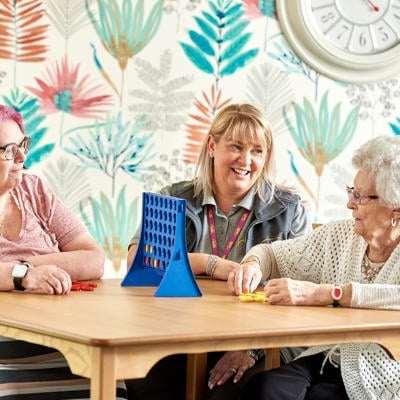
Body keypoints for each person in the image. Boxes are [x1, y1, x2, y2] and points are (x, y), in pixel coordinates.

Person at [126, 103, 311, 399]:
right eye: (236, 147)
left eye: (257, 151)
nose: (246, 160)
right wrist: (209, 264)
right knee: (143, 380)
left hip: (255, 342)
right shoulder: (173, 199)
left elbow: (304, 294)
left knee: (225, 395)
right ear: (212, 145)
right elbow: (139, 266)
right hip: (178, 337)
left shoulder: (288, 211)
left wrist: (251, 349)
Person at [228, 134, 400, 400]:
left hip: (378, 376)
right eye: (351, 192)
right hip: (324, 357)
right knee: (266, 389)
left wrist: (327, 294)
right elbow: (272, 255)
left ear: (395, 211)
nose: (349, 204)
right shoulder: (339, 236)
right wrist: (252, 264)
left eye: (361, 197)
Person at [0, 105, 127, 399]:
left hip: (68, 340)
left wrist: (24, 267)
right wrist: (25, 276)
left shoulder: (34, 189)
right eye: (9, 150)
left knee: (111, 385)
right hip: (8, 350)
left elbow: (93, 259)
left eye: (22, 145)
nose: (22, 157)